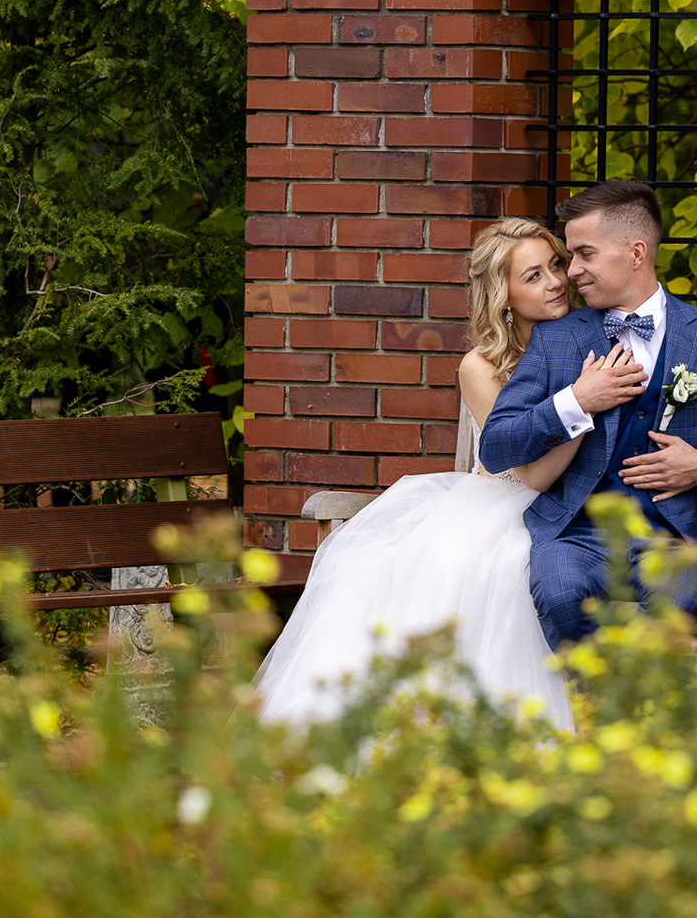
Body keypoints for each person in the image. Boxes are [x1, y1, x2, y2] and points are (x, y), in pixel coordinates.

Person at [252, 217, 608, 730]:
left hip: (575, 505)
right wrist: (581, 405)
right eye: (533, 276)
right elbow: (530, 475)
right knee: (484, 564)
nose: (555, 282)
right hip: (507, 501)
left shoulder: (592, 338)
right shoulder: (482, 366)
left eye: (556, 265)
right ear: (503, 296)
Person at [480, 181, 697, 650]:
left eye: (585, 254)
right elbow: (495, 445)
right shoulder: (557, 338)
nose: (572, 271)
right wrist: (576, 401)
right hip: (576, 536)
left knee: (670, 611)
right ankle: (598, 697)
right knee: (560, 595)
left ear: (635, 252)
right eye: (572, 256)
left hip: (674, 539)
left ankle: (634, 696)